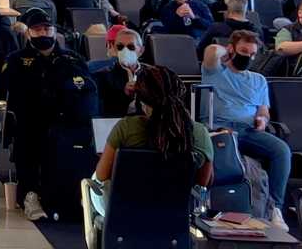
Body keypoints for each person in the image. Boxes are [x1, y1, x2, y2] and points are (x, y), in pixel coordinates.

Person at [83, 65, 215, 246]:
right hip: (174, 213)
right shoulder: (199, 133)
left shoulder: (126, 128)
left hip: (125, 211)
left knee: (92, 181)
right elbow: (203, 182)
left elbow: (102, 175)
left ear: (141, 98)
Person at [0, 8, 99, 221]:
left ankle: (68, 197)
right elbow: (7, 87)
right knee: (28, 142)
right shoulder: (17, 59)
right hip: (30, 118)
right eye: (37, 30)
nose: (43, 33)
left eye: (47, 28)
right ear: (28, 33)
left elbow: (85, 88)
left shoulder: (71, 59)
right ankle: (30, 195)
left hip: (65, 120)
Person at [202, 32, 291, 222]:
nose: (248, 57)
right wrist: (224, 51)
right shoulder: (215, 71)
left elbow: (263, 110)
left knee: (281, 151)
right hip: (219, 129)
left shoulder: (258, 79)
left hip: (248, 130)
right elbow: (210, 51)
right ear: (232, 49)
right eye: (243, 51)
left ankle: (274, 208)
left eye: (252, 54)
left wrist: (262, 120)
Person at [92, 28, 144, 117]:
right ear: (115, 50)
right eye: (120, 47)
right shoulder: (102, 76)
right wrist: (124, 93)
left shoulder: (154, 74)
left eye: (131, 47)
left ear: (141, 51)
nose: (125, 51)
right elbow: (103, 110)